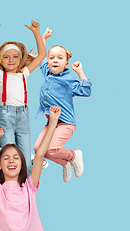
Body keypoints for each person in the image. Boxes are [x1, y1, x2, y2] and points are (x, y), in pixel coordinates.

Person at [0, 22, 46, 175]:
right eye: (6, 57)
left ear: (21, 59)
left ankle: (25, 191)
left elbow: (41, 55)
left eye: (15, 57)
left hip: (23, 116)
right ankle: (8, 188)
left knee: (25, 158)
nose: (11, 60)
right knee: (8, 156)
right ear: (0, 60)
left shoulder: (24, 73)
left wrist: (36, 32)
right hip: (6, 115)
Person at [33, 28, 92, 182]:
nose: (54, 60)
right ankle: (64, 163)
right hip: (51, 122)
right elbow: (40, 56)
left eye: (59, 58)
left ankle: (73, 156)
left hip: (66, 123)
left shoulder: (69, 80)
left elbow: (85, 91)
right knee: (38, 150)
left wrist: (80, 72)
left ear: (66, 63)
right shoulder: (47, 72)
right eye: (52, 57)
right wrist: (44, 38)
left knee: (51, 149)